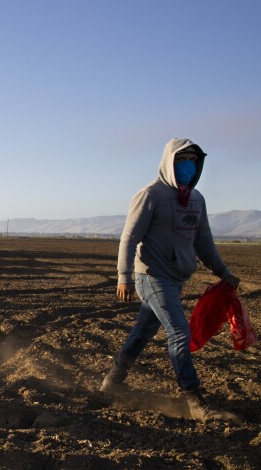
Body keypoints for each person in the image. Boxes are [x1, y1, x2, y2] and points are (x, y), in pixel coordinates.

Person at [102, 138, 241, 421]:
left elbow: (204, 244)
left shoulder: (196, 200)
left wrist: (224, 274)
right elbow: (129, 238)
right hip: (151, 276)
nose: (188, 165)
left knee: (142, 332)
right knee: (179, 332)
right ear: (169, 161)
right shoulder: (150, 195)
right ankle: (194, 401)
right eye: (182, 159)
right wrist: (123, 276)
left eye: (193, 160)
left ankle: (112, 382)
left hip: (176, 279)